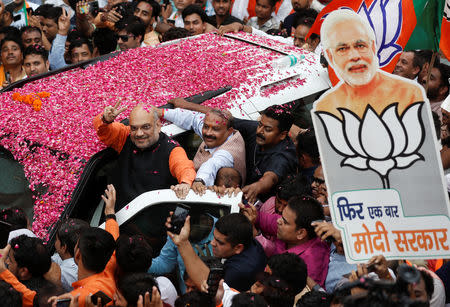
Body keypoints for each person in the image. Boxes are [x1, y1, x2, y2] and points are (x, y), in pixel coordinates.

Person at [315, 10, 425, 119]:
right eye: (342, 49)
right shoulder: (325, 108)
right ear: (330, 56)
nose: (354, 56)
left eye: (360, 45)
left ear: (372, 47)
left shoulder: (412, 95)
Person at [93, 101, 196, 209]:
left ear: (158, 126)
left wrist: (185, 183)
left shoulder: (172, 150)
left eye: (146, 127)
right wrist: (105, 119)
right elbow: (104, 132)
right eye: (134, 128)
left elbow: (184, 167)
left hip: (148, 216)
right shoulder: (126, 136)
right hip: (115, 215)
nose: (139, 133)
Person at [157, 99, 246, 194]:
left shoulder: (227, 153)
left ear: (229, 131)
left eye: (215, 129)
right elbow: (192, 119)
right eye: (206, 127)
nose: (208, 132)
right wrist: (160, 112)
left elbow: (212, 165)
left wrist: (199, 181)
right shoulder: (217, 131)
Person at [240, 195, 329, 287]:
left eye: (285, 221)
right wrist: (238, 200)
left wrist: (256, 236)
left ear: (301, 233)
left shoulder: (309, 267)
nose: (278, 221)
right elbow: (255, 216)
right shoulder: (288, 225)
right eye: (282, 216)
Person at [168, 213, 267, 292]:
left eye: (220, 242)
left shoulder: (238, 272)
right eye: (214, 237)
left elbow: (208, 289)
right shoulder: (249, 242)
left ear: (238, 248)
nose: (212, 243)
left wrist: (183, 243)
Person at [52, 218, 89, 292]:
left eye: (56, 239)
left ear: (63, 247)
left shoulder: (62, 274)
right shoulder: (91, 261)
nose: (54, 242)